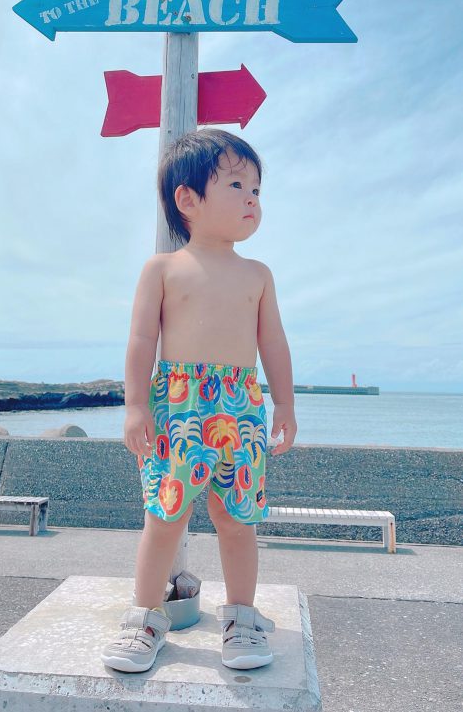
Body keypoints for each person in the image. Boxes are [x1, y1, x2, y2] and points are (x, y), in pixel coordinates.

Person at [101, 128, 297, 673]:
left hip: (241, 407)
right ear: (187, 199)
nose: (252, 198)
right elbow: (141, 340)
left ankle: (241, 618)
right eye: (237, 185)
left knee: (238, 518)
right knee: (164, 515)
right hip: (178, 406)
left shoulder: (258, 275)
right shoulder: (162, 269)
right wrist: (136, 405)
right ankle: (145, 617)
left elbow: (273, 343)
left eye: (256, 189)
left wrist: (284, 404)